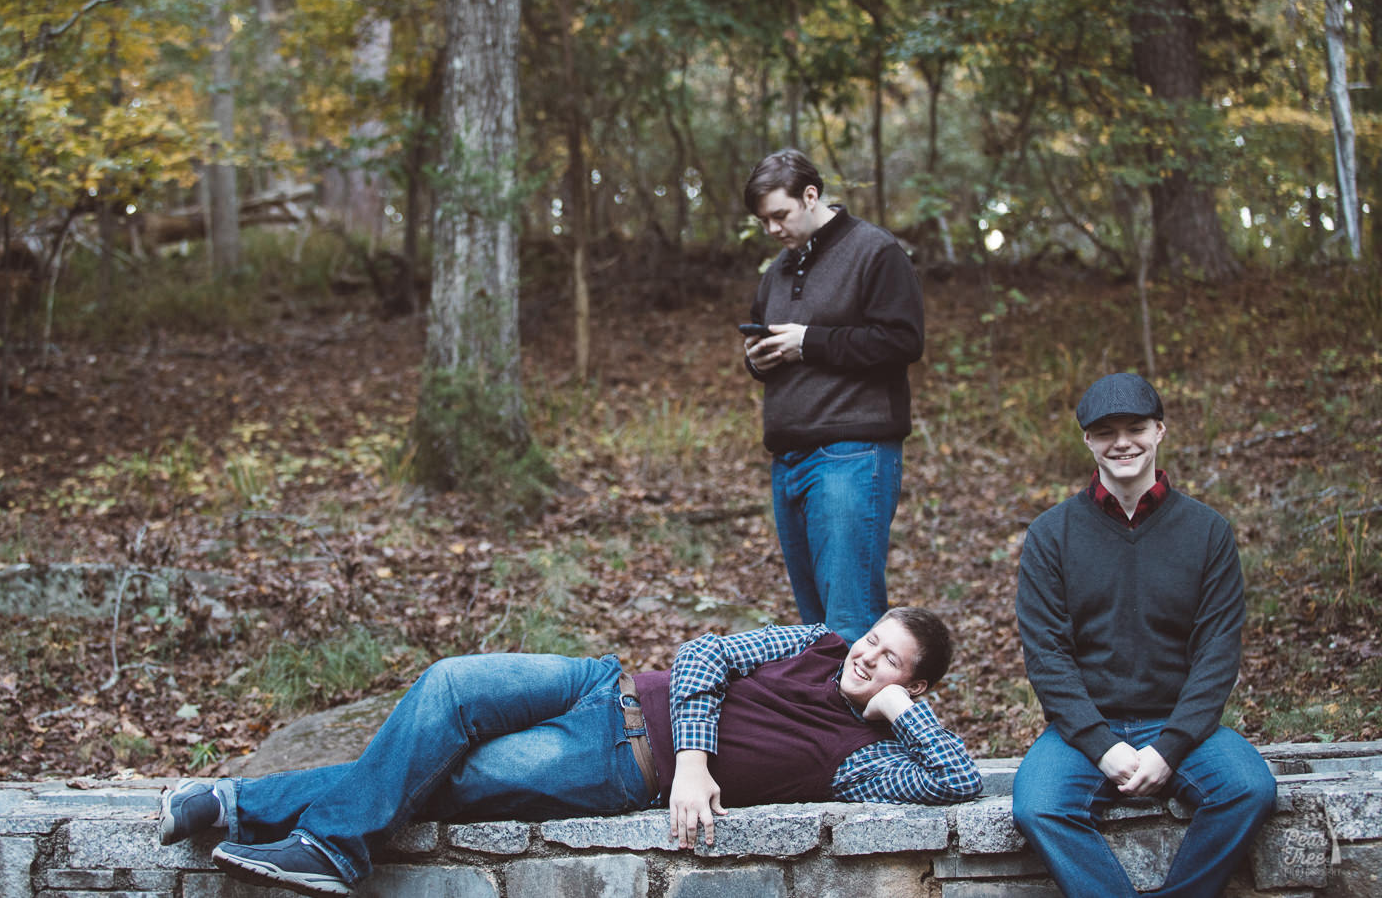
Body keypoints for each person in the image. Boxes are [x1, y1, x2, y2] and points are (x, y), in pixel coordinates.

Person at [158, 607, 981, 897]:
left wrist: (901, 710)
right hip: (600, 682)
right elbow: (702, 653)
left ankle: (251, 809)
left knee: (450, 775)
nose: (868, 656)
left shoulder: (861, 753)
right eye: (875, 640)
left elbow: (956, 780)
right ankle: (300, 833)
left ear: (912, 683)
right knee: (449, 682)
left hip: (617, 763)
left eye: (891, 660)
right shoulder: (817, 637)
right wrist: (698, 757)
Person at [1011, 373, 1277, 898]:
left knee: (1250, 789)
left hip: (1180, 723)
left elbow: (1217, 652)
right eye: (1106, 432)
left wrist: (1172, 745)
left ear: (1160, 431)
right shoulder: (1051, 534)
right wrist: (1100, 744)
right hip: (1084, 730)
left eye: (1136, 428)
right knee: (1037, 805)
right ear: (1088, 440)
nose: (1122, 443)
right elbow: (1047, 654)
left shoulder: (1207, 532)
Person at [741, 148, 926, 644]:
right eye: (763, 221)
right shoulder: (776, 271)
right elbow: (769, 348)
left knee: (852, 624)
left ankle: (875, 724)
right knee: (817, 633)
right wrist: (757, 358)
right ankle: (830, 723)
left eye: (780, 215)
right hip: (789, 461)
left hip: (851, 455)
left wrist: (809, 341)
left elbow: (903, 341)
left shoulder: (875, 252)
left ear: (811, 194)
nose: (773, 229)